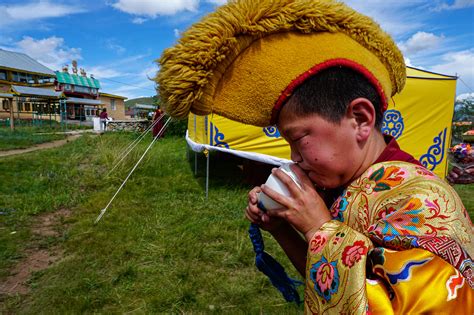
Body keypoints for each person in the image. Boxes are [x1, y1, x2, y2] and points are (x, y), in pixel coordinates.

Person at [155, 0, 473, 313]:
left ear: (360, 119)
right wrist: (281, 226)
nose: (295, 157)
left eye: (300, 138)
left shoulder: (424, 204)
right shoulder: (350, 186)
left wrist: (320, 227)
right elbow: (327, 280)